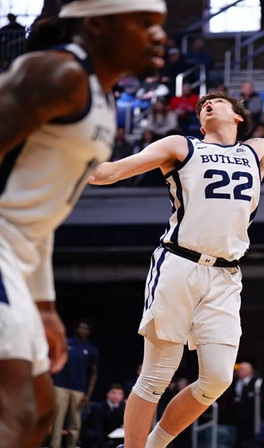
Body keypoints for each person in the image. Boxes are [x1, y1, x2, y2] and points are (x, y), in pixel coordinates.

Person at [88, 50, 264, 448]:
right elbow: (110, 172)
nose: (207, 104)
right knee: (156, 377)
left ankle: (155, 444)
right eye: (203, 103)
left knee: (219, 378)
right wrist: (67, 158)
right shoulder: (180, 145)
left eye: (217, 101)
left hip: (226, 274)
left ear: (237, 116)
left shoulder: (257, 151)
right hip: (179, 264)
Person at [0, 2, 167, 447]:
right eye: (144, 23)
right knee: (17, 410)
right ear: (98, 23)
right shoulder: (57, 74)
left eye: (161, 25)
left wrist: (44, 304)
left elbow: (37, 212)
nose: (159, 35)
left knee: (38, 412)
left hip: (18, 255)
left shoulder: (101, 95)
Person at [50, 320, 100, 448]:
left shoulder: (91, 350)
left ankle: (71, 446)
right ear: (76, 329)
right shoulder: (66, 343)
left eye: (86, 329)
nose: (83, 331)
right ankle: (54, 446)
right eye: (81, 328)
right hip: (60, 386)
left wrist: (88, 394)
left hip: (78, 389)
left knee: (75, 422)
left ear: (89, 332)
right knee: (57, 420)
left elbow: (93, 373)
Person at [84, 384, 126, 448]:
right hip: (99, 437)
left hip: (115, 438)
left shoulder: (123, 408)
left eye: (120, 394)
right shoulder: (98, 407)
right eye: (114, 393)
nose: (117, 396)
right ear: (108, 394)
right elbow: (97, 427)